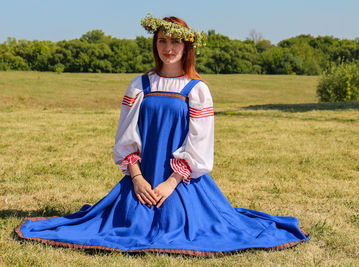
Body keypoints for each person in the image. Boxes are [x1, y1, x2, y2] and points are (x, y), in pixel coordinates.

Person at [16, 15, 309, 256]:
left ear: (187, 47)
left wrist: (170, 183)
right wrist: (137, 178)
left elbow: (199, 143)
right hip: (141, 179)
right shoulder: (140, 84)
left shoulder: (197, 90)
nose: (168, 48)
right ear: (154, 44)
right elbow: (126, 137)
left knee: (190, 227)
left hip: (181, 182)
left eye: (175, 41)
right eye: (162, 41)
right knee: (122, 224)